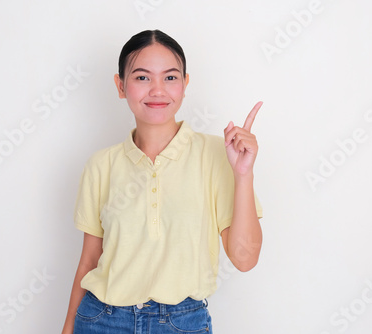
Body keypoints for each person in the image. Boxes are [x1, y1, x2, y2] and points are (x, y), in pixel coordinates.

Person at [62, 29, 263, 334]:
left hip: (181, 323)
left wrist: (243, 174)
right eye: (142, 77)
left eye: (170, 78)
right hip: (101, 320)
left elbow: (245, 259)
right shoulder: (101, 165)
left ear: (185, 84)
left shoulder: (217, 155)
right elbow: (89, 260)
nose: (157, 90)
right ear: (120, 85)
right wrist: (67, 329)